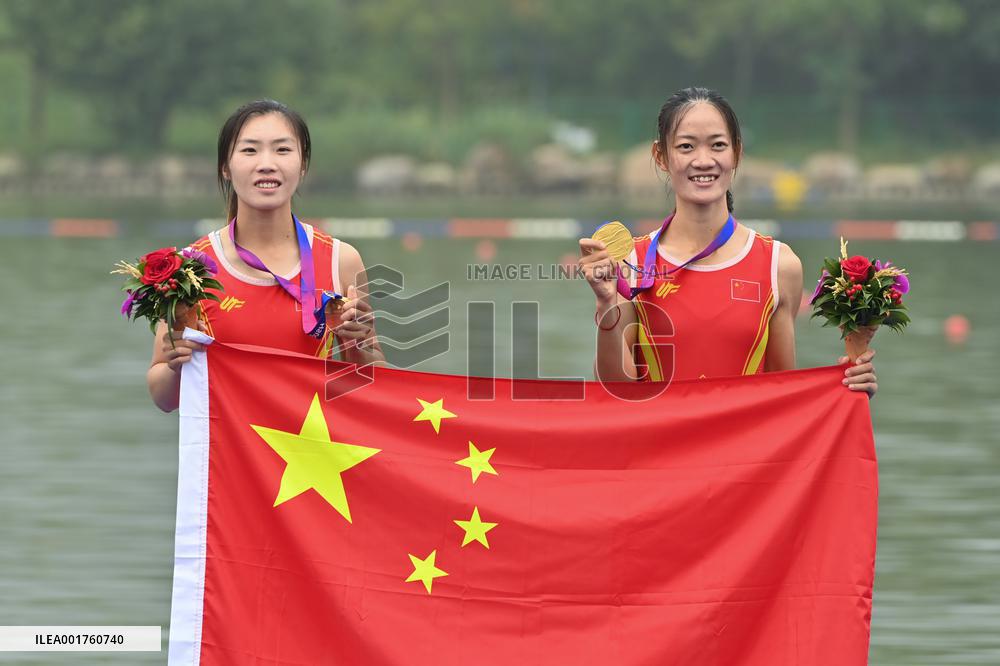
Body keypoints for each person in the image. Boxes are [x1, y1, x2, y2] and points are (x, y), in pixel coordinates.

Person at [578, 87, 877, 394]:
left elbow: (782, 395)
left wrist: (846, 389)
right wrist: (606, 303)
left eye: (718, 145)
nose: (704, 160)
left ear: (737, 152)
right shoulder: (634, 261)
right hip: (660, 442)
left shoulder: (778, 264)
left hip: (745, 444)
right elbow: (616, 389)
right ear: (661, 156)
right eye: (686, 147)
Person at [148, 99, 384, 412]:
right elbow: (164, 399)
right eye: (249, 150)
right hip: (228, 458)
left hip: (311, 454)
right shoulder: (189, 270)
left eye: (282, 150)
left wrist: (359, 343)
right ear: (225, 167)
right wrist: (177, 366)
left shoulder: (341, 260)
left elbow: (373, 387)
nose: (267, 163)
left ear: (303, 165)